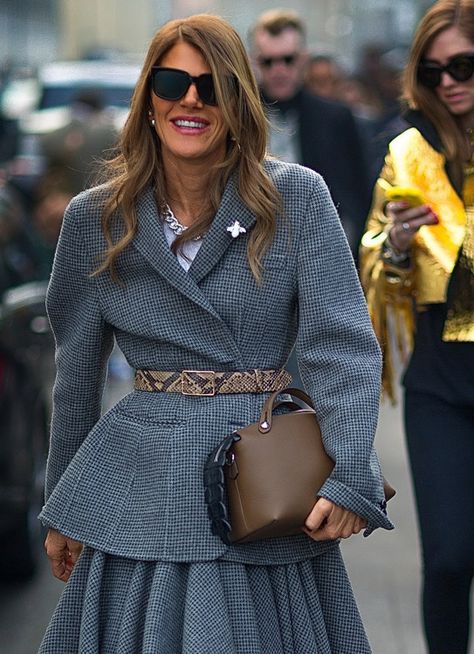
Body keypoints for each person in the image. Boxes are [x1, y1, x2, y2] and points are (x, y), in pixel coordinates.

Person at [38, 14, 392, 653]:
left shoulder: (296, 199)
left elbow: (341, 348)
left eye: (214, 84)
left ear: (240, 102)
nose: (192, 99)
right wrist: (64, 500)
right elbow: (76, 373)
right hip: (141, 491)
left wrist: (351, 478)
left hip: (264, 488)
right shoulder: (97, 218)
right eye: (173, 81)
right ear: (149, 98)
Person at [360, 2, 474, 653]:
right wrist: (397, 246)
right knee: (452, 558)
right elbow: (377, 258)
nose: (449, 82)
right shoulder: (408, 151)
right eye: (433, 72)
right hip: (440, 377)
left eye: (463, 65)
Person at [249, 9, 371, 258]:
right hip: (254, 246)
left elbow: (358, 192)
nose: (279, 70)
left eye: (288, 60)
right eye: (268, 62)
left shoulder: (335, 118)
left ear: (303, 59)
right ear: (254, 61)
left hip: (324, 246)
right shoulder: (240, 117)